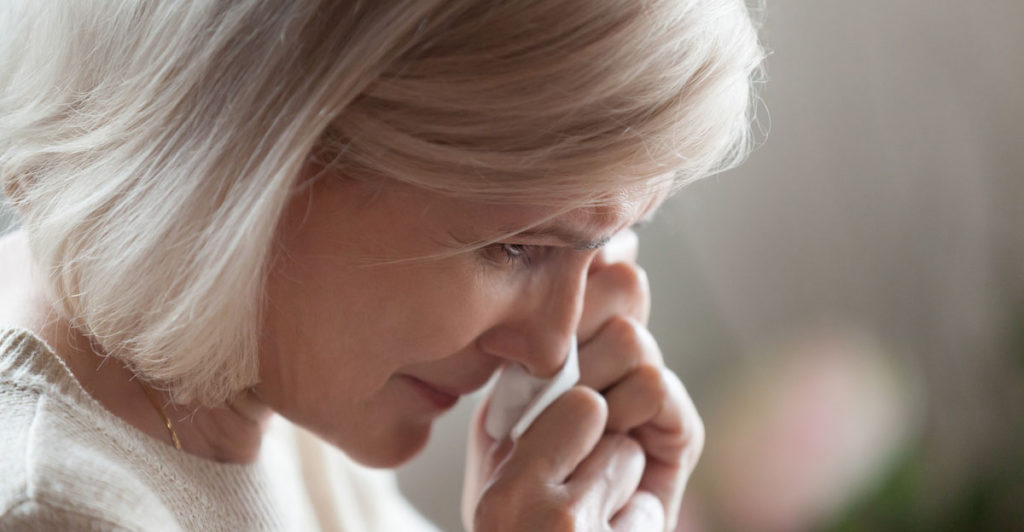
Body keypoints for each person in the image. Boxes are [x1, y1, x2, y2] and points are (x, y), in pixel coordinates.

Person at [0, 1, 763, 530]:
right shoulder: (57, 511)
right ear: (264, 150)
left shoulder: (271, 377)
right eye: (519, 248)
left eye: (599, 248)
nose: (550, 351)